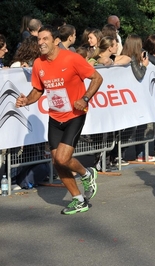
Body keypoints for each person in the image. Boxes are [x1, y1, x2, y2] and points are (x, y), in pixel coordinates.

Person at [15, 25, 103, 215]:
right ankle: (79, 200)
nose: (41, 43)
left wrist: (85, 98)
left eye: (45, 39)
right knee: (57, 161)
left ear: (56, 41)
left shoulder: (72, 59)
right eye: (39, 39)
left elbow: (97, 78)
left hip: (75, 115)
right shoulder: (38, 63)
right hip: (55, 117)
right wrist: (26, 100)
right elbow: (38, 90)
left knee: (63, 157)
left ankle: (86, 173)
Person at [121, 34, 155, 162]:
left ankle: (136, 153)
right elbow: (139, 75)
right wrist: (145, 65)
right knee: (131, 127)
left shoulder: (134, 57)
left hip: (135, 96)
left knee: (138, 126)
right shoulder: (130, 58)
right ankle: (120, 154)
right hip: (131, 97)